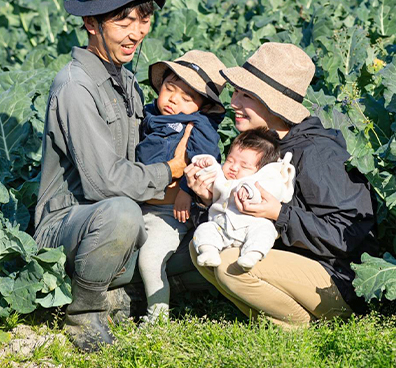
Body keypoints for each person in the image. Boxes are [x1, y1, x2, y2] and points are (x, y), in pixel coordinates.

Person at [33, 0, 191, 352]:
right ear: (91, 23)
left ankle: (116, 291)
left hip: (115, 218)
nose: (136, 32)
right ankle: (85, 312)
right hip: (67, 226)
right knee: (121, 211)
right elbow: (103, 182)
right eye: (123, 21)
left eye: (143, 19)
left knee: (199, 238)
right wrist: (167, 171)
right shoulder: (75, 86)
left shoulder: (125, 80)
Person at [185, 42, 378, 328]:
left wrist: (279, 213)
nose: (234, 103)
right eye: (236, 92)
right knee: (199, 249)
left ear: (273, 103)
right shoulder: (264, 146)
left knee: (229, 267)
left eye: (246, 96)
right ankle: (272, 325)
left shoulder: (315, 154)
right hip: (293, 265)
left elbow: (349, 235)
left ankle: (301, 328)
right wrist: (207, 199)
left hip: (336, 279)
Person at [136, 51, 226, 324]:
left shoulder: (197, 126)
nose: (174, 100)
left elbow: (205, 165)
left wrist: (186, 191)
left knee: (150, 259)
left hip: (169, 214)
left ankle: (157, 319)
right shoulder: (146, 116)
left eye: (187, 99)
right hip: (137, 205)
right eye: (170, 90)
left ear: (202, 106)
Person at [192, 128, 295, 271]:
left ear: (261, 170)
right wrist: (205, 163)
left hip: (251, 227)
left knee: (266, 231)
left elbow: (275, 189)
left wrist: (250, 191)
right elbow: (211, 171)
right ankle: (210, 252)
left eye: (244, 166)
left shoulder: (265, 179)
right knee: (204, 229)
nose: (233, 168)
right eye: (230, 160)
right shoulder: (223, 178)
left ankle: (252, 255)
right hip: (222, 226)